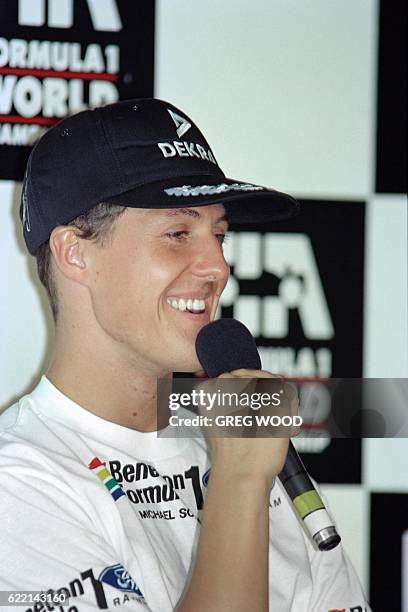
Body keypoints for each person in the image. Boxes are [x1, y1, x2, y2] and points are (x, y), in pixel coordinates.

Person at [0, 99, 370, 612]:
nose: (218, 265)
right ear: (75, 252)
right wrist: (240, 479)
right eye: (178, 234)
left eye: (220, 234)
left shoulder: (254, 449)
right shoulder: (16, 486)